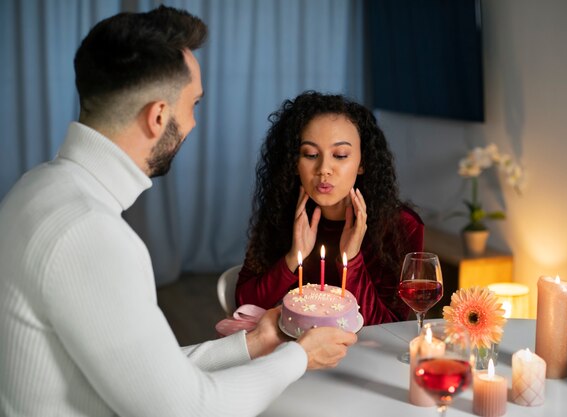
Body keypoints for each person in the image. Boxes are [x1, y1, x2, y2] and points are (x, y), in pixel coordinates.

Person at [0, 7, 356, 417]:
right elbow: (186, 409)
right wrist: (300, 358)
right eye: (193, 105)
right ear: (157, 117)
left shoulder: (36, 188)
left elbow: (149, 375)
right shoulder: (90, 234)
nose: (193, 123)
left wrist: (256, 342)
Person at [236, 91, 425, 325]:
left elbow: (389, 326)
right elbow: (245, 304)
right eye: (311, 154)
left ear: (362, 163)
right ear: (294, 162)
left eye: (340, 155)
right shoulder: (282, 213)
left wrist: (353, 259)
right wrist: (293, 257)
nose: (324, 168)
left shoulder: (402, 226)